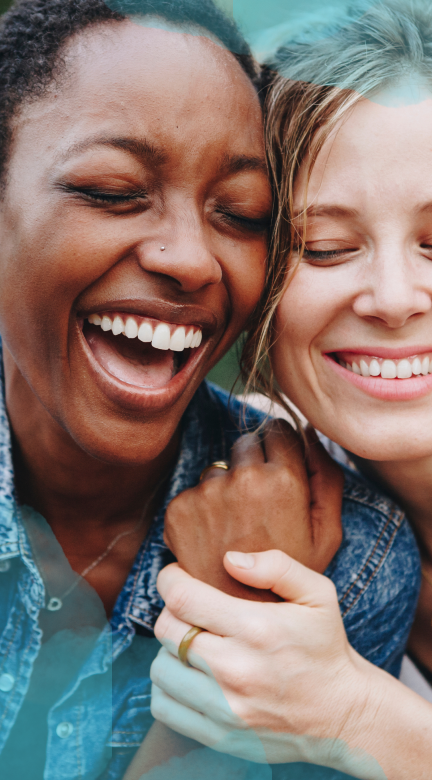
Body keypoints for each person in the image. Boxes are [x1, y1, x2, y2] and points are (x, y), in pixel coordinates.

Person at [0, 1, 353, 779]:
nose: (191, 260)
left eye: (241, 212)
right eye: (111, 189)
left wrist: (252, 614)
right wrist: (233, 638)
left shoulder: (341, 557)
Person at [142, 1, 432, 778]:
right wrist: (232, 614)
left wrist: (358, 717)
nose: (395, 296)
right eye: (327, 246)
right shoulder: (266, 509)